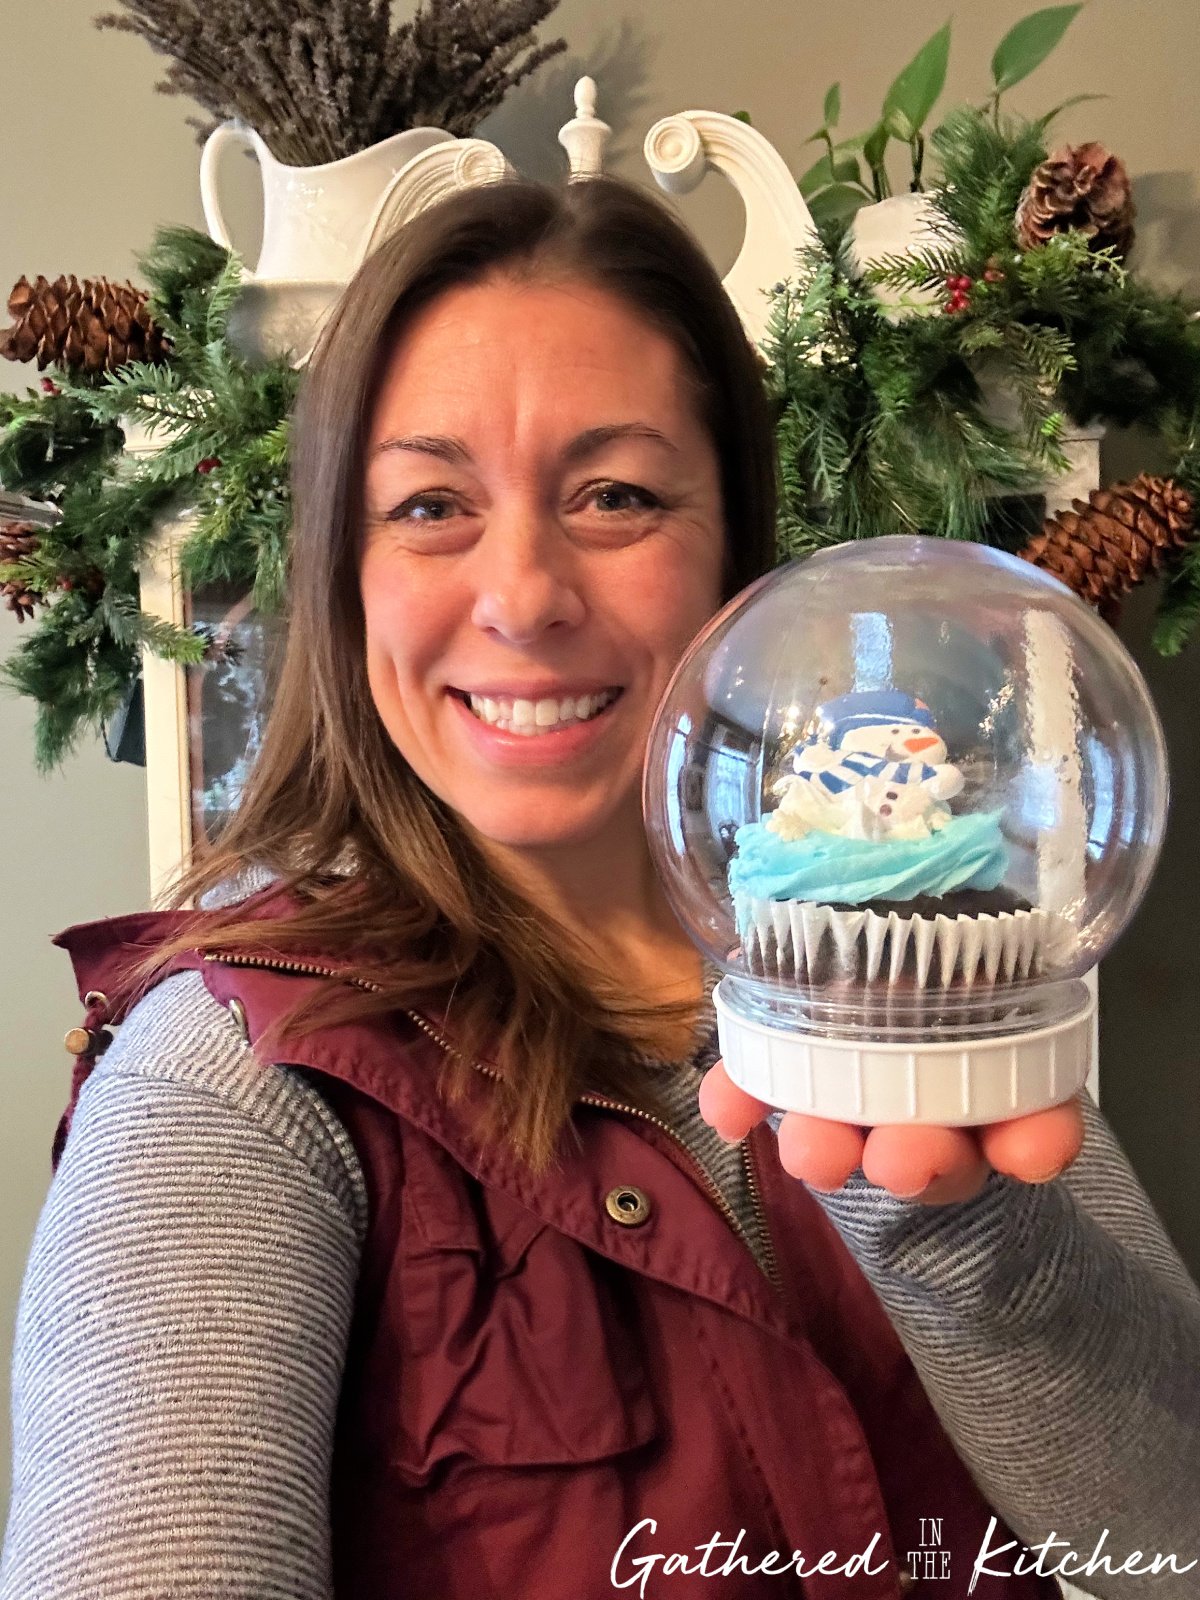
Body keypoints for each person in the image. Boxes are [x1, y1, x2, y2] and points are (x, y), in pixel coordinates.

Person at [2, 175, 1198, 1600]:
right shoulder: (231, 1083)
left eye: (616, 495)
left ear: (734, 565)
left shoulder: (918, 949)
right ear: (345, 575)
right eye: (431, 504)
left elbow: (1168, 1544)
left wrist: (956, 1221)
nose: (522, 594)